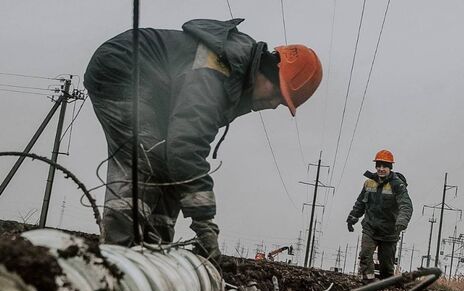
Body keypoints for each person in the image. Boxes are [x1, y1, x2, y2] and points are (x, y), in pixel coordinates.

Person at [84, 18, 322, 261]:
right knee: (145, 158)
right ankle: (117, 258)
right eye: (278, 95)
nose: (273, 106)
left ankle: (153, 255)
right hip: (124, 69)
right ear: (269, 72)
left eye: (281, 104)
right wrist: (204, 224)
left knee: (169, 166)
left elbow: (181, 158)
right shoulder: (217, 70)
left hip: (156, 88)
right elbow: (186, 147)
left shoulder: (235, 82)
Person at [346, 150, 413, 282]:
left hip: (389, 232)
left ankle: (385, 288)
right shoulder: (369, 183)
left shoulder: (397, 185)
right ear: (376, 167)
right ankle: (367, 282)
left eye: (385, 166)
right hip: (370, 228)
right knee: (365, 255)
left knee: (386, 267)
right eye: (379, 166)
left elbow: (406, 205)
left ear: (390, 168)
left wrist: (402, 221)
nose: (381, 169)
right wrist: (352, 217)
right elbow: (360, 203)